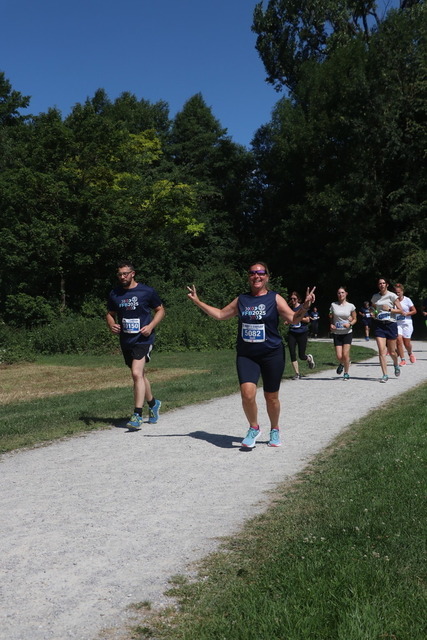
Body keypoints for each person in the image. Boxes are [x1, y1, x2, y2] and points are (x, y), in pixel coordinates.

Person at [187, 262, 316, 449]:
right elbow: (221, 314)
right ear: (249, 277)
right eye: (253, 273)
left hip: (272, 354)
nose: (257, 276)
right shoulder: (242, 300)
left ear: (267, 277)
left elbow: (293, 318)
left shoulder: (274, 298)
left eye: (261, 273)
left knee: (271, 397)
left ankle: (275, 429)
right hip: (247, 355)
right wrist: (197, 301)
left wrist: (304, 306)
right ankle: (254, 427)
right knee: (247, 394)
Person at [106, 261, 165, 429]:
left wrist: (151, 326)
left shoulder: (146, 291)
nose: (122, 277)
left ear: (133, 274)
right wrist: (111, 324)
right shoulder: (115, 294)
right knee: (140, 376)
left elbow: (160, 310)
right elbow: (110, 314)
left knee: (136, 373)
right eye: (119, 274)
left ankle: (137, 415)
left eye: (125, 273)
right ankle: (153, 403)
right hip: (126, 340)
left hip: (143, 339)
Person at [370, 278, 404, 383]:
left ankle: (395, 364)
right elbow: (373, 308)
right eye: (380, 283)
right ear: (378, 285)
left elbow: (401, 311)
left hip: (390, 324)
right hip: (379, 325)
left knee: (392, 351)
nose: (382, 285)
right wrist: (373, 313)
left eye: (383, 283)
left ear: (387, 285)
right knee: (381, 351)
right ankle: (385, 375)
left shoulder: (392, 296)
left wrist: (389, 309)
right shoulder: (375, 297)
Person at [329, 286, 357, 380]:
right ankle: (343, 362)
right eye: (339, 293)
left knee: (345, 354)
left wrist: (350, 324)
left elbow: (355, 319)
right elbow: (330, 316)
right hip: (337, 333)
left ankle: (346, 373)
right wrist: (331, 324)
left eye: (342, 292)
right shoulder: (333, 305)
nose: (341, 294)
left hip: (347, 333)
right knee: (339, 356)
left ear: (346, 294)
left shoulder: (351, 306)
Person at [286, 292, 316, 380]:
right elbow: (288, 318)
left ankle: (309, 358)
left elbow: (307, 320)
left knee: (301, 356)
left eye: (294, 299)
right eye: (291, 299)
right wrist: (288, 321)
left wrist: (298, 317)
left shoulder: (302, 307)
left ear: (298, 299)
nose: (292, 300)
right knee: (292, 353)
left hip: (302, 333)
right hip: (292, 332)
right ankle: (297, 373)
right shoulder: (289, 308)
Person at [394, 283, 417, 365]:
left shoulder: (407, 300)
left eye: (399, 292)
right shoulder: (393, 301)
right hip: (397, 323)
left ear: (402, 292)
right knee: (398, 340)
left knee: (407, 343)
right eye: (396, 292)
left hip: (407, 323)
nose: (397, 294)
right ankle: (403, 359)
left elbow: (414, 311)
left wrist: (407, 313)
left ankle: (410, 353)